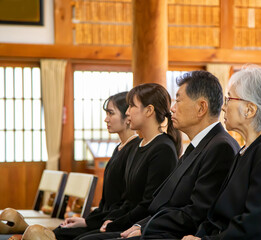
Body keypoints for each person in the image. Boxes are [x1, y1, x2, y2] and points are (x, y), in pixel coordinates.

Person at [85, 71, 240, 240]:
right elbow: (166, 202)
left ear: (201, 108)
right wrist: (141, 225)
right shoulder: (199, 145)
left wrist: (146, 228)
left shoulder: (220, 147)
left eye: (178, 100)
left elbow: (197, 212)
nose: (172, 108)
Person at [183, 65, 261, 240]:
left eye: (229, 99)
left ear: (250, 110)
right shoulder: (248, 150)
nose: (223, 107)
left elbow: (254, 229)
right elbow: (217, 215)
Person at [53, 92, 141, 240]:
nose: (106, 119)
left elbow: (125, 202)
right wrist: (85, 220)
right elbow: (106, 202)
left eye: (111, 113)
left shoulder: (135, 149)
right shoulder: (119, 147)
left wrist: (92, 222)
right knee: (60, 230)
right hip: (104, 218)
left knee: (63, 235)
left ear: (127, 117)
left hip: (115, 221)